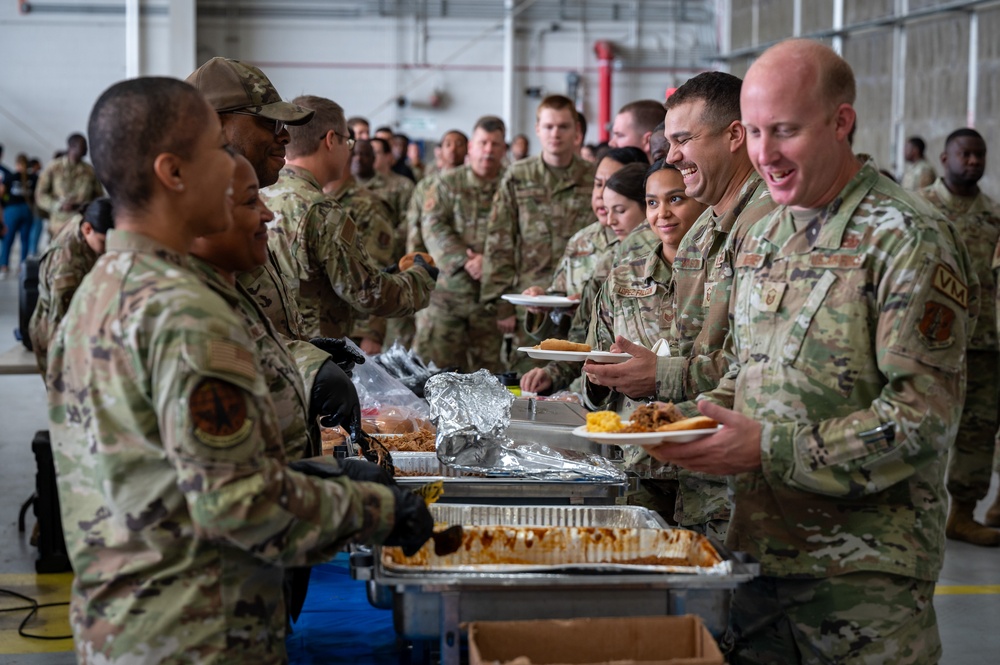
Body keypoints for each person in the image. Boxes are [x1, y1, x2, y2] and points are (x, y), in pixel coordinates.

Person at [48, 75, 433, 664]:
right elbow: (234, 505)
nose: (232, 167)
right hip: (198, 632)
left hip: (137, 622)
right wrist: (376, 510)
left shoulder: (107, 287)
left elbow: (169, 471)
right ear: (173, 172)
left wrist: (317, 476)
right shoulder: (183, 312)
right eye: (214, 152)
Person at [650, 40, 975, 663]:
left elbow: (924, 420)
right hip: (757, 559)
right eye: (756, 133)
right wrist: (686, 421)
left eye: (787, 131)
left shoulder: (907, 237)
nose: (765, 154)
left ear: (840, 122)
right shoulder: (769, 232)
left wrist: (767, 447)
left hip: (861, 582)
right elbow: (751, 369)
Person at [263, 94, 436, 340]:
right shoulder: (321, 210)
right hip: (315, 355)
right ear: (332, 140)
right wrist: (421, 277)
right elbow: (369, 294)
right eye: (349, 141)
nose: (350, 152)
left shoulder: (260, 194)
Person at [917, 128, 1000, 547]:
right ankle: (915, 511)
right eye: (964, 154)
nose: (973, 162)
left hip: (983, 342)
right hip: (926, 342)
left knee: (977, 432)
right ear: (945, 158)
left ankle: (963, 513)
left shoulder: (993, 214)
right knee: (922, 422)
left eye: (979, 155)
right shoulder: (920, 209)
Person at [481, 95, 596, 374]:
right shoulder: (518, 176)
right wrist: (501, 305)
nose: (555, 133)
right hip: (531, 301)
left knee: (584, 375)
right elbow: (499, 240)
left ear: (576, 132)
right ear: (537, 130)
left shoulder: (594, 177)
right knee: (530, 378)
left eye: (563, 126)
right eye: (548, 126)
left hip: (583, 299)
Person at [519, 147, 648, 395]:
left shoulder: (658, 250)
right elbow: (579, 332)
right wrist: (545, 306)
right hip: (587, 384)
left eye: (612, 185)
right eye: (598, 184)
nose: (601, 195)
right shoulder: (582, 240)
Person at [414, 115, 508, 372]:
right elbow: (432, 225)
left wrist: (488, 262)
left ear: (504, 149)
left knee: (489, 374)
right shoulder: (446, 183)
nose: (488, 150)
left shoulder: (512, 185)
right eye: (483, 143)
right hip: (448, 294)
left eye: (495, 144)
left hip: (492, 296)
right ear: (472, 146)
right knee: (437, 371)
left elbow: (523, 234)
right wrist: (466, 260)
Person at [323, 142, 397, 355]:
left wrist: (371, 332)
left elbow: (378, 271)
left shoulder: (368, 205)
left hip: (353, 327)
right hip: (317, 326)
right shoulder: (313, 200)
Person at [29, 197, 113, 373]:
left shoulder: (86, 220)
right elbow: (61, 326)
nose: (108, 249)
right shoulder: (66, 266)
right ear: (87, 229)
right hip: (55, 333)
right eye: (104, 242)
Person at [34, 133, 104, 242]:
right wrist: (58, 205)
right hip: (58, 226)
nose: (86, 149)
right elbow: (40, 195)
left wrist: (88, 209)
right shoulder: (54, 167)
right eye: (83, 145)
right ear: (72, 146)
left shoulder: (90, 171)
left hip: (81, 225)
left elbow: (98, 197)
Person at [0, 154, 39, 277]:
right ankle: (22, 268)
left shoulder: (10, 176)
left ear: (17, 164)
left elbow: (1, 193)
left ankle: (4, 266)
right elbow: (38, 196)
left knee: (8, 239)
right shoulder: (33, 178)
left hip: (12, 210)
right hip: (27, 210)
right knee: (25, 240)